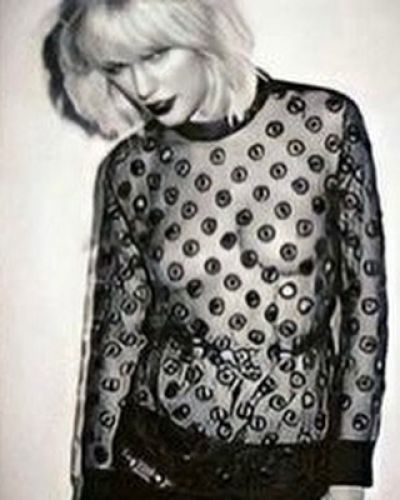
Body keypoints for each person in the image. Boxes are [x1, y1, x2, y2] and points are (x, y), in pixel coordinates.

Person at [43, 1, 388, 499]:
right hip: (153, 460)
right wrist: (97, 477)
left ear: (200, 30)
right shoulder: (131, 168)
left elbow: (365, 301)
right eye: (118, 66)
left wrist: (350, 468)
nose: (141, 86)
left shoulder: (325, 126)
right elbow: (118, 334)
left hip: (288, 465)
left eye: (155, 54)